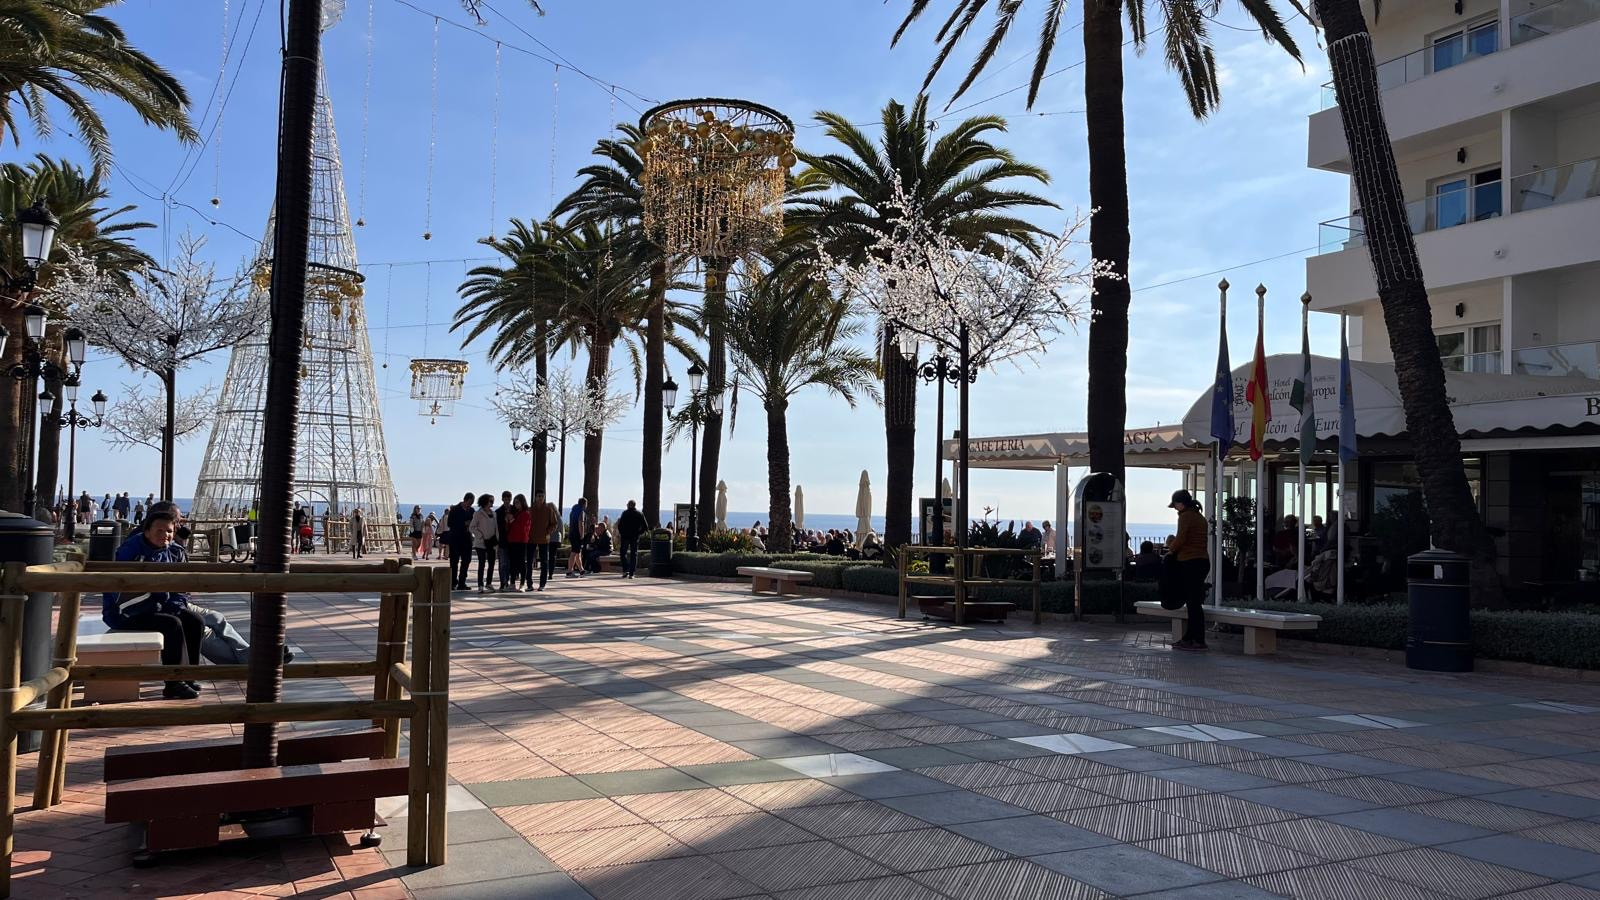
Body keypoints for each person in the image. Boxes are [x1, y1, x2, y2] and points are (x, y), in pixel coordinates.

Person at [103, 510, 206, 700]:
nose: (165, 535)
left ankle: (188, 675)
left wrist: (175, 604)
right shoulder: (131, 551)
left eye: (169, 531)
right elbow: (124, 593)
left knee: (195, 620)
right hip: (124, 612)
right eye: (159, 530)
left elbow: (182, 587)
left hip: (159, 606)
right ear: (147, 531)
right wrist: (164, 605)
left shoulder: (174, 550)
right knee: (171, 624)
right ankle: (173, 683)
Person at [1165, 489, 1211, 651]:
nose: (1175, 509)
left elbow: (1181, 538)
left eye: (1175, 505)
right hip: (1202, 561)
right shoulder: (1199, 517)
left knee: (1193, 603)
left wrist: (1170, 550)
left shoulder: (1185, 517)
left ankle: (1197, 640)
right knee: (1194, 602)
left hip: (1190, 562)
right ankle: (1190, 638)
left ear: (1181, 503)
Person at [530, 491, 560, 590]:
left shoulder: (548, 510)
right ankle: (529, 584)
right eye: (539, 496)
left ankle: (542, 584)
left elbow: (554, 523)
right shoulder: (531, 509)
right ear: (535, 497)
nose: (540, 498)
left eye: (542, 496)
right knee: (529, 562)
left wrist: (548, 531)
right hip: (531, 539)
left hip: (544, 539)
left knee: (544, 562)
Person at [446, 492, 476, 590]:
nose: (470, 505)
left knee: (466, 560)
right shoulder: (454, 509)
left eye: (472, 503)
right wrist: (463, 523)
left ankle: (462, 582)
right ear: (465, 500)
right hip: (455, 539)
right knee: (454, 561)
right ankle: (453, 582)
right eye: (470, 503)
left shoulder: (472, 511)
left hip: (467, 539)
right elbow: (450, 523)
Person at [470, 493, 498, 591]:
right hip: (481, 543)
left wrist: (497, 540)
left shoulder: (494, 514)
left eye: (493, 501)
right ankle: (480, 585)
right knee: (482, 563)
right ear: (485, 501)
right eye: (490, 501)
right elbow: (472, 527)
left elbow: (496, 528)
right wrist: (480, 536)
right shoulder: (478, 514)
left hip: (492, 542)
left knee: (492, 563)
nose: (492, 503)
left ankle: (489, 583)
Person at [507, 494, 533, 591]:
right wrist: (509, 521)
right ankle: (512, 583)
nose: (516, 505)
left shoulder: (526, 513)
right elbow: (510, 527)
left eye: (517, 502)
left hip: (521, 541)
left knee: (521, 562)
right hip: (512, 540)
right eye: (515, 503)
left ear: (522, 502)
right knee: (512, 562)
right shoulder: (515, 513)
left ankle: (522, 584)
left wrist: (512, 520)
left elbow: (521, 527)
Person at [616, 500, 647, 578]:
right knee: (634, 554)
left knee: (623, 553)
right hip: (634, 537)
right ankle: (631, 573)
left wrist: (622, 533)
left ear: (629, 505)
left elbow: (620, 525)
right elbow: (645, 526)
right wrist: (639, 533)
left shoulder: (625, 513)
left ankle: (625, 570)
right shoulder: (639, 514)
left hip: (625, 537)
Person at [495, 491, 514, 591]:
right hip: (502, 540)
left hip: (513, 540)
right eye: (505, 499)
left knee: (511, 563)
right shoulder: (498, 512)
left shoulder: (515, 510)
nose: (507, 501)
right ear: (502, 499)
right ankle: (503, 582)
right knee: (503, 563)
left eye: (508, 499)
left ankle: (510, 582)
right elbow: (496, 527)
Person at [566, 497, 589, 578]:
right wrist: (582, 535)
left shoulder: (573, 511)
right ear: (584, 504)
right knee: (574, 552)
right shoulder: (581, 512)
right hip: (577, 534)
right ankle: (569, 571)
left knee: (577, 552)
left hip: (572, 533)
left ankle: (581, 570)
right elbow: (581, 523)